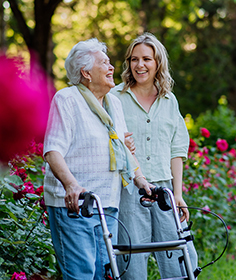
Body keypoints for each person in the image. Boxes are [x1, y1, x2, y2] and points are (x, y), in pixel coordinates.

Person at [43, 38, 153, 280]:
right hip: (75, 206)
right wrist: (71, 185)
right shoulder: (67, 99)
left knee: (105, 274)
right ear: (86, 72)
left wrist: (141, 180)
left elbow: (123, 149)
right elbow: (53, 150)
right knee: (82, 274)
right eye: (104, 63)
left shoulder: (113, 102)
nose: (112, 67)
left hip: (107, 205)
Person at [110, 32, 198, 279]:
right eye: (134, 59)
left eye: (147, 59)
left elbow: (177, 151)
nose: (140, 65)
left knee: (179, 259)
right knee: (131, 261)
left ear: (158, 62)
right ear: (128, 63)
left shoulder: (169, 100)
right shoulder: (114, 98)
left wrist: (177, 194)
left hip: (164, 190)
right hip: (128, 190)